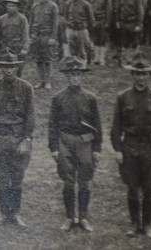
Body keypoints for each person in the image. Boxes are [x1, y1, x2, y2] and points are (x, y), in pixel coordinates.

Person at [111, 56, 151, 237]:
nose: (141, 78)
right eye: (137, 74)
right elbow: (116, 127)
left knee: (149, 189)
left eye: (144, 74)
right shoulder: (123, 97)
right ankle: (135, 224)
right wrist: (118, 150)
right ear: (132, 75)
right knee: (132, 188)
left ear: (149, 75)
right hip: (130, 147)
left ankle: (148, 225)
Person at [48, 57, 101, 233]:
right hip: (65, 141)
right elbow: (52, 125)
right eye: (71, 75)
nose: (75, 78)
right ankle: (70, 217)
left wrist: (97, 149)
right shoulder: (58, 98)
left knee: (84, 181)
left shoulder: (90, 98)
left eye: (78, 74)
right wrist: (54, 148)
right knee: (68, 182)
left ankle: (83, 217)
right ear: (67, 76)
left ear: (82, 76)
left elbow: (97, 125)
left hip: (85, 141)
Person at [0, 52, 35, 227]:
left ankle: (16, 213)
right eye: (5, 66)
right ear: (0, 67)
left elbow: (30, 116)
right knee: (3, 178)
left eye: (12, 66)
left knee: (18, 177)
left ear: (17, 67)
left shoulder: (26, 88)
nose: (8, 70)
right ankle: (5, 213)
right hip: (0, 137)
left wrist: (26, 139)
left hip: (19, 137)